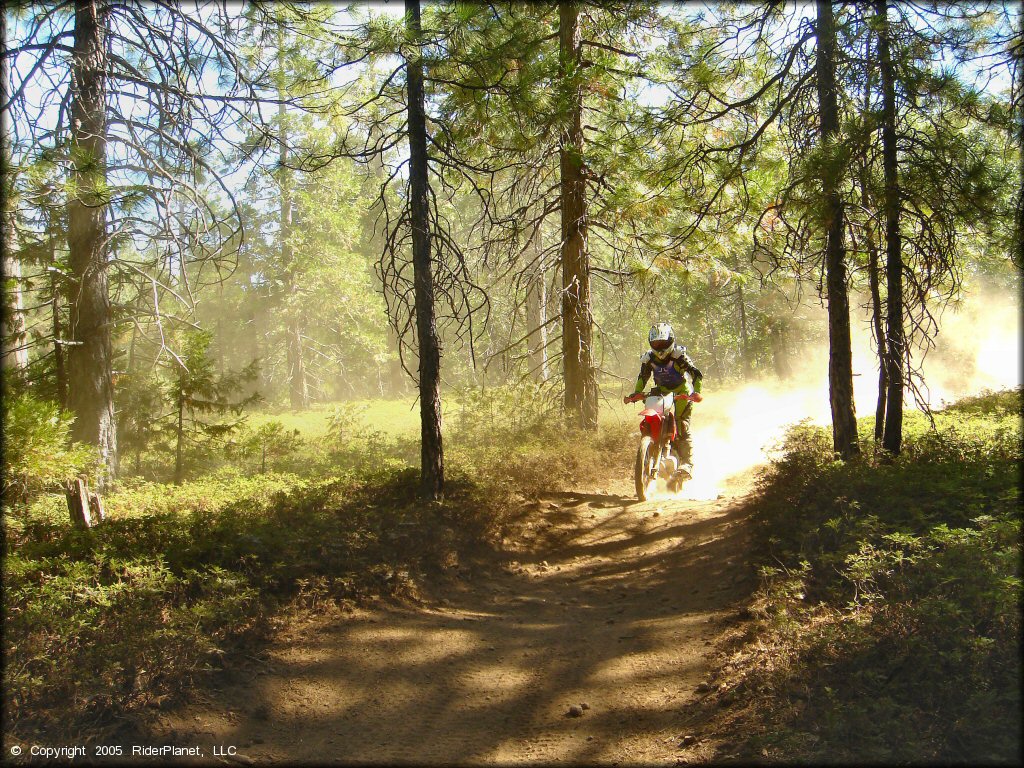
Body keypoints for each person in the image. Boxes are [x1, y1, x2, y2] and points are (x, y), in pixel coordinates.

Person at [623, 322, 704, 479]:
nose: (660, 347)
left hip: (682, 392)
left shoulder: (678, 356)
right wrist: (636, 393)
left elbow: (696, 374)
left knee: (682, 424)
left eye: (663, 343)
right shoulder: (649, 358)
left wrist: (696, 392)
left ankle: (687, 463)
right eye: (656, 343)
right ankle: (650, 451)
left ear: (671, 341)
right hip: (662, 392)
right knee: (652, 418)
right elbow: (643, 377)